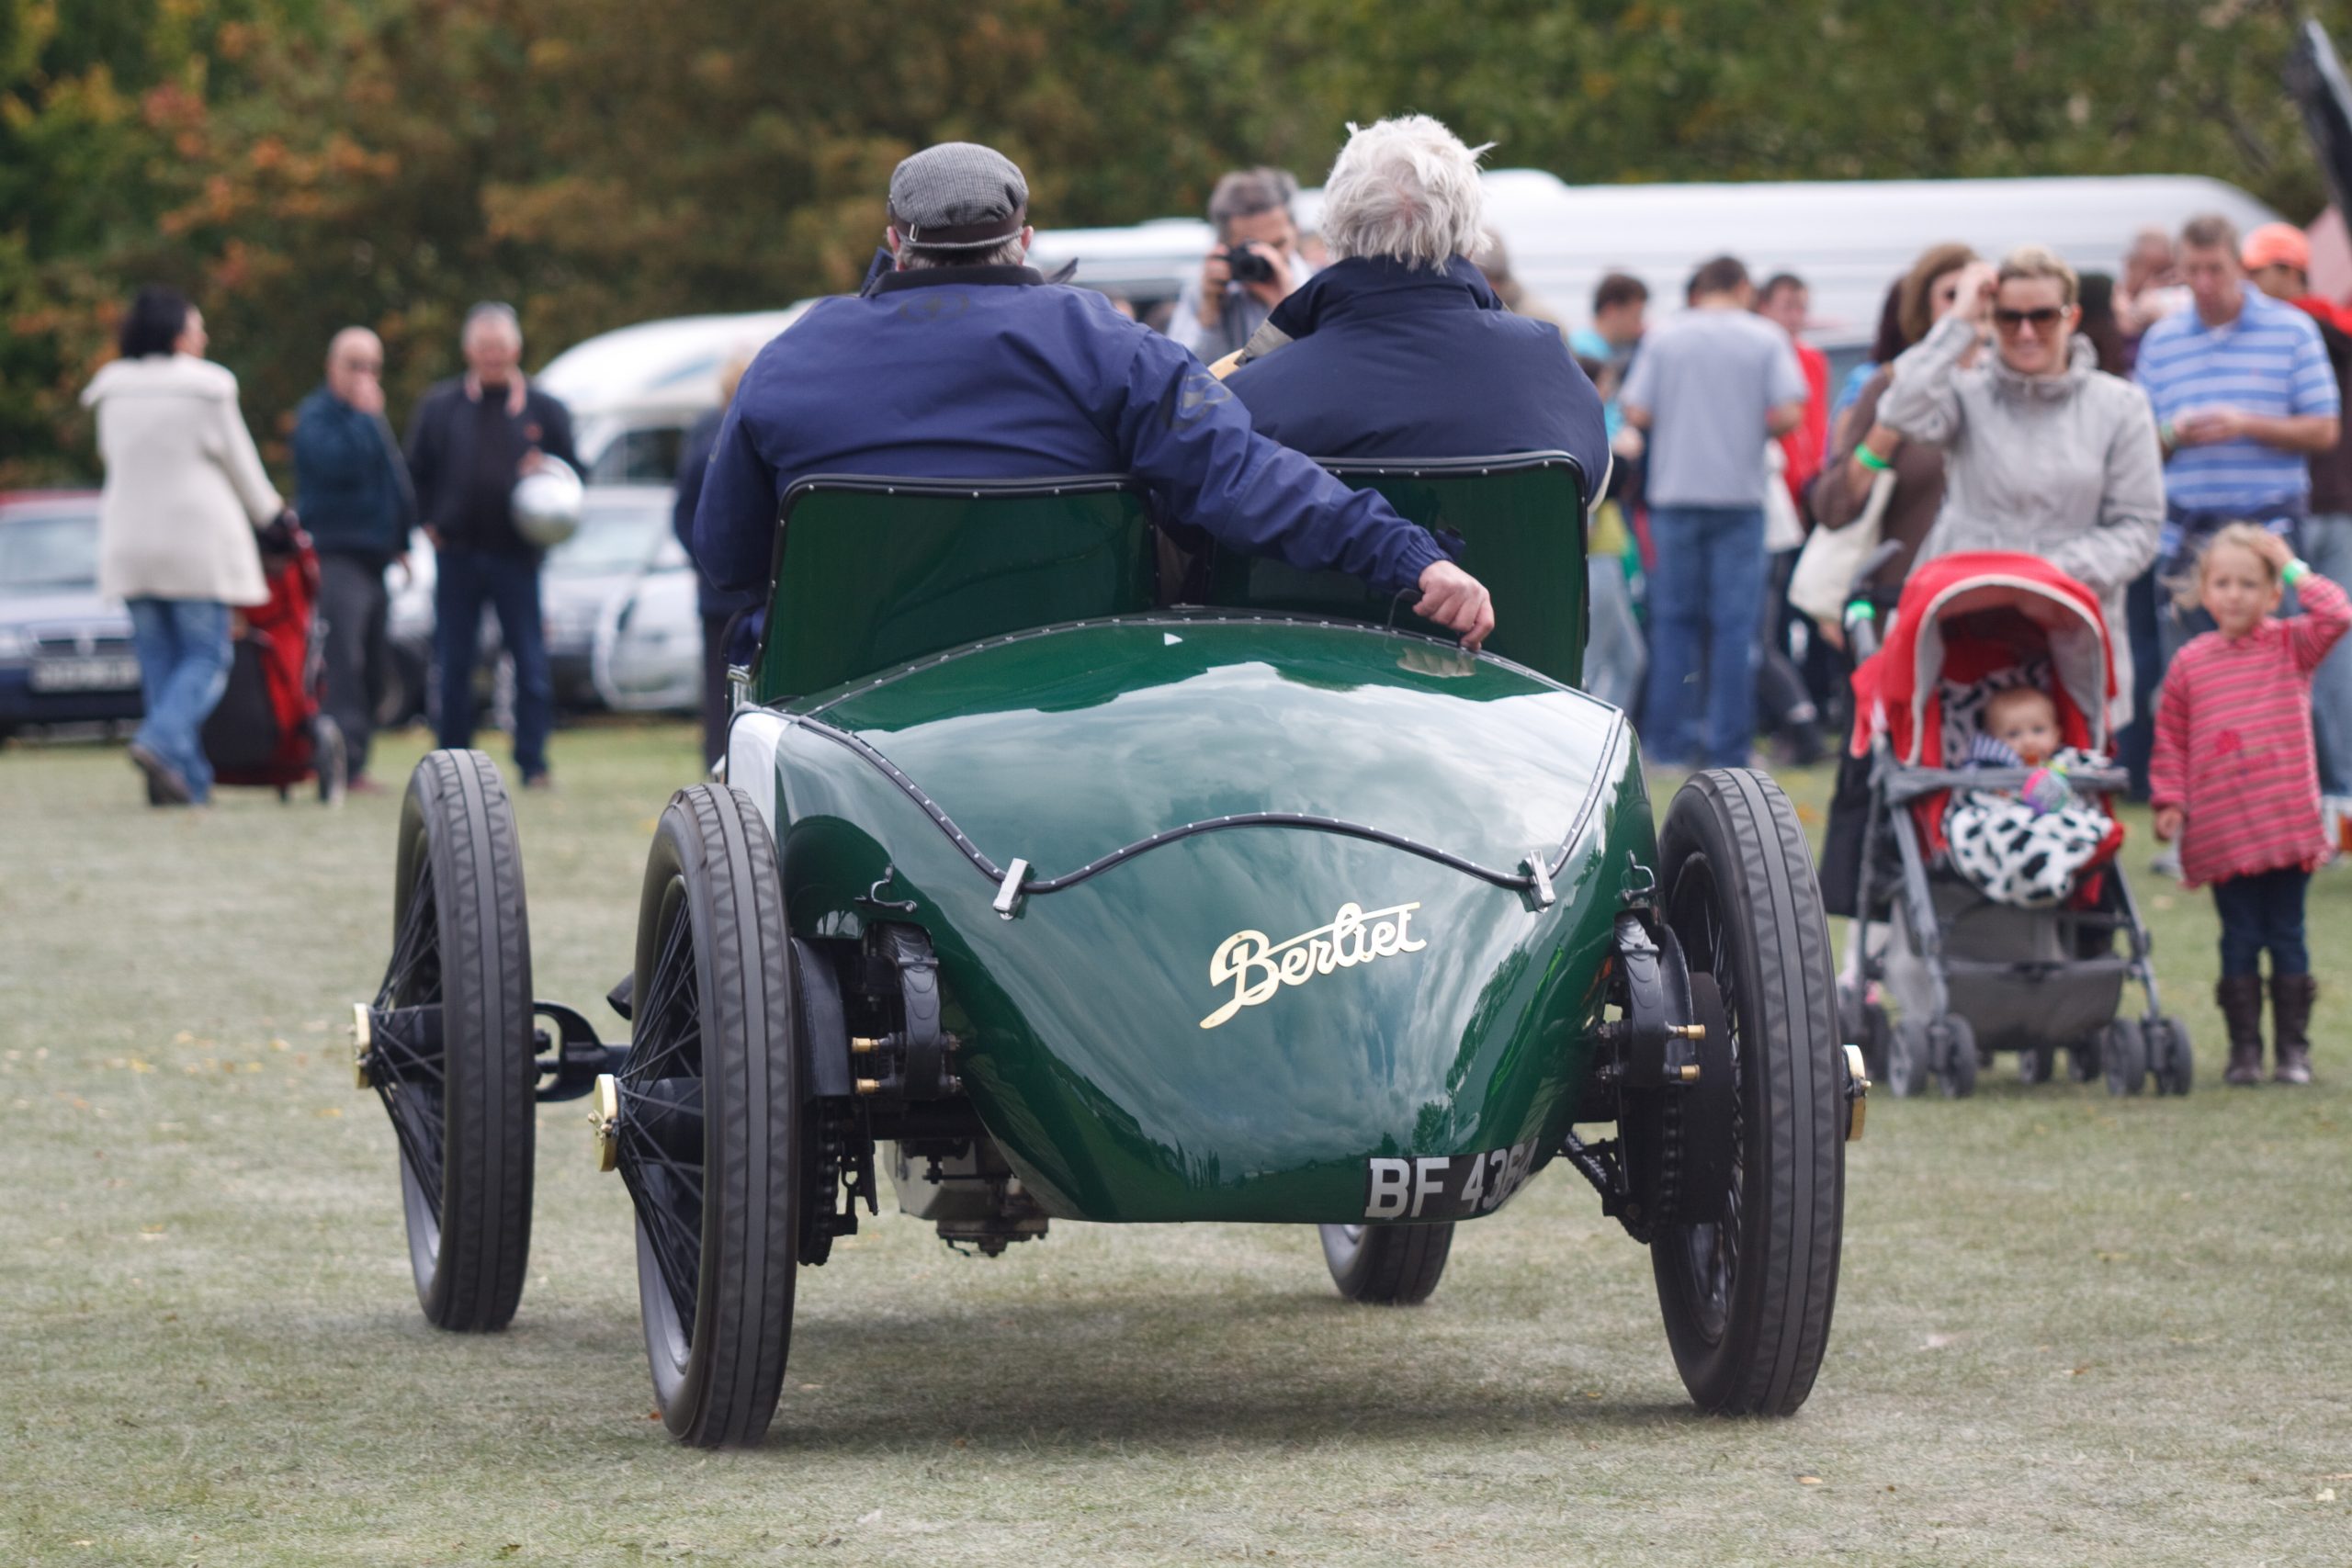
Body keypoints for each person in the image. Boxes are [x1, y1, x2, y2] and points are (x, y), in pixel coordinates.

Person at [693, 141, 1494, 653]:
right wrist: (1407, 554)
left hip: (846, 685)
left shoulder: (790, 357)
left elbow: (727, 561)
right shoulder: (1108, 346)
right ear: (1027, 240)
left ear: (895, 244)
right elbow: (1246, 478)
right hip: (1067, 690)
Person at [1219, 117, 1608, 479]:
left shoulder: (1245, 396)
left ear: (1334, 237)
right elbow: (1588, 490)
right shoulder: (1550, 373)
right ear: (1471, 242)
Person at [1881, 246, 2164, 726]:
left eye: (2043, 316)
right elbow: (1898, 410)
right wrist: (1960, 321)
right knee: (1946, 777)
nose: (2026, 332)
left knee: (2067, 782)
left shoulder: (2120, 405)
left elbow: (2139, 528)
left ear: (2071, 317)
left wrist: (2047, 579)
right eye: (2010, 318)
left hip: (2070, 623)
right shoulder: (1968, 392)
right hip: (1964, 624)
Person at [1812, 243, 1977, 922]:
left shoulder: (2009, 389)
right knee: (1873, 769)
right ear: (1923, 309)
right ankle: (1861, 941)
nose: (1969, 316)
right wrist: (1885, 432)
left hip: (1981, 607)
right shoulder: (1888, 387)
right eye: (1951, 300)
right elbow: (1833, 502)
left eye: (1980, 302)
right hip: (1894, 604)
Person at [2151, 525, 2349, 1085]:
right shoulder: (2190, 663)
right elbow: (2171, 738)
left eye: (2249, 583)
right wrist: (2170, 801)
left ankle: (2293, 1052)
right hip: (2225, 834)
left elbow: (2337, 614)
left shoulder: (2291, 646)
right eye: (2222, 582)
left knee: (2287, 933)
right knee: (2238, 937)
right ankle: (2244, 1052)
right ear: (2204, 592)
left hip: (2285, 827)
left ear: (2270, 595)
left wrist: (2291, 565)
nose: (2234, 594)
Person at [81, 286, 284, 807]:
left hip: (130, 544)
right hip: (194, 546)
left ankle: (186, 781)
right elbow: (242, 465)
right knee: (206, 658)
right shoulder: (206, 388)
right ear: (178, 335)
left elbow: (111, 456)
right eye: (198, 328)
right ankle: (159, 742)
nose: (204, 337)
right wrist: (273, 515)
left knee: (160, 665)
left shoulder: (111, 390)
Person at [1618, 254, 1809, 767]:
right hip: (1740, 498)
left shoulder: (1666, 337)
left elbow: (1637, 410)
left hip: (1675, 497)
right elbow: (1791, 410)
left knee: (1673, 621)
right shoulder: (1765, 337)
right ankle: (1728, 746)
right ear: (1744, 287)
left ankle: (1667, 742)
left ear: (1699, 290)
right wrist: (1747, 429)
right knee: (1734, 627)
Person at [403, 302, 578, 789]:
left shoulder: (545, 409)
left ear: (516, 349)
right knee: (453, 663)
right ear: (469, 351)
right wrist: (428, 524)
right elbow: (414, 474)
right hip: (456, 554)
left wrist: (548, 472)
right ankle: (452, 763)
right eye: (484, 348)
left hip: (518, 556)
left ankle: (533, 762)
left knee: (529, 662)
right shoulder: (440, 407)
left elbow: (576, 475)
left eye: (500, 347)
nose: (493, 356)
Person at [2241, 220, 2352, 830]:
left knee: (2312, 654)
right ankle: (2327, 798)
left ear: (2291, 272)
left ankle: (2332, 796)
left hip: (2313, 508)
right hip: (2326, 504)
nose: (2254, 287)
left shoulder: (2295, 330)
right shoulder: (2332, 325)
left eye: (2263, 273)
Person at [294, 327, 416, 794]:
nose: (365, 377)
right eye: (355, 365)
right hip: (336, 558)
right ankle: (339, 763)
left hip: (375, 560)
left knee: (370, 667)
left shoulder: (372, 423)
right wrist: (367, 420)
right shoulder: (317, 419)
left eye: (372, 367)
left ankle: (356, 760)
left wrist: (402, 539)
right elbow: (337, 466)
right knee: (343, 664)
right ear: (332, 368)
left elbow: (392, 479)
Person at [1942, 684, 2122, 909]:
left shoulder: (2063, 761)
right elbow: (1972, 794)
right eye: (2013, 734)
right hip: (2007, 817)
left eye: (2038, 730)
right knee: (1986, 827)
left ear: (2057, 733)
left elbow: (2093, 771)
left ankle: (2051, 867)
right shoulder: (1991, 763)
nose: (2028, 741)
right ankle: (2040, 869)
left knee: (2086, 820)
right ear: (1993, 739)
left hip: (2058, 819)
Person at [672, 344, 758, 773]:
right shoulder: (705, 432)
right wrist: (703, 558)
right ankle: (717, 757)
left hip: (757, 586)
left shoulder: (763, 427)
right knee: (716, 682)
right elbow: (684, 509)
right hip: (717, 589)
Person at [1166, 167, 1310, 365]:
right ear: (1224, 246)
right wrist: (1208, 317)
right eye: (1252, 248)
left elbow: (1320, 368)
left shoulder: (1319, 289)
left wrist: (1290, 309)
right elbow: (1182, 378)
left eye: (1277, 245)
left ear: (1296, 230)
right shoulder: (1206, 293)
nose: (1267, 258)